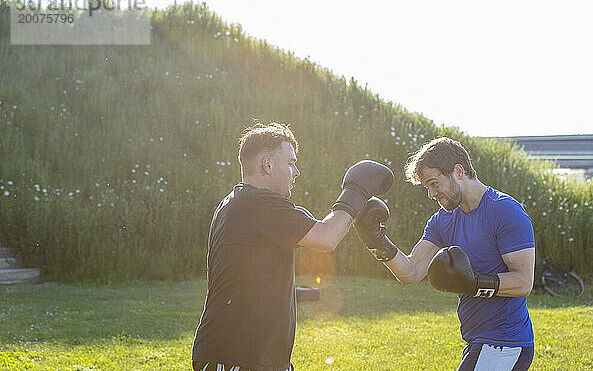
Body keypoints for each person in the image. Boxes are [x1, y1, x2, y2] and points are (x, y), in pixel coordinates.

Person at [191, 122, 394, 371]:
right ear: (268, 164)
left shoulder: (236, 202)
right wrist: (357, 191)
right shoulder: (259, 204)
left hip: (247, 355)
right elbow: (326, 237)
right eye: (290, 163)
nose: (296, 172)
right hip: (237, 356)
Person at [354, 137, 535, 371]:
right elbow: (410, 271)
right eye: (427, 187)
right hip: (478, 341)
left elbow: (523, 282)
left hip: (505, 343)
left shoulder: (505, 211)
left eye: (433, 183)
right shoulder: (443, 220)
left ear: (458, 171)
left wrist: (475, 283)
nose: (431, 194)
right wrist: (376, 241)